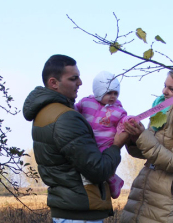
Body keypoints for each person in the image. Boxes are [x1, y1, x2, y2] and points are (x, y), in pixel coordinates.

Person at [23, 54, 128, 223]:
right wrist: (116, 145)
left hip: (67, 210)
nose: (80, 83)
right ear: (53, 83)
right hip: (79, 213)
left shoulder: (46, 112)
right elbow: (97, 170)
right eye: (73, 79)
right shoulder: (66, 118)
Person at [119, 69, 173, 223]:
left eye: (171, 88)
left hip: (169, 198)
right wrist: (134, 137)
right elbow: (148, 151)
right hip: (146, 190)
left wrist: (143, 136)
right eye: (165, 86)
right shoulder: (162, 113)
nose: (164, 91)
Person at [75, 71, 127, 199]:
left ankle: (113, 182)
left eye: (115, 93)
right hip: (89, 142)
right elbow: (73, 111)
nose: (112, 96)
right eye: (108, 93)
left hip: (105, 143)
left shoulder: (118, 111)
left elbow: (123, 121)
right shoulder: (86, 103)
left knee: (104, 165)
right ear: (98, 91)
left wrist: (130, 121)